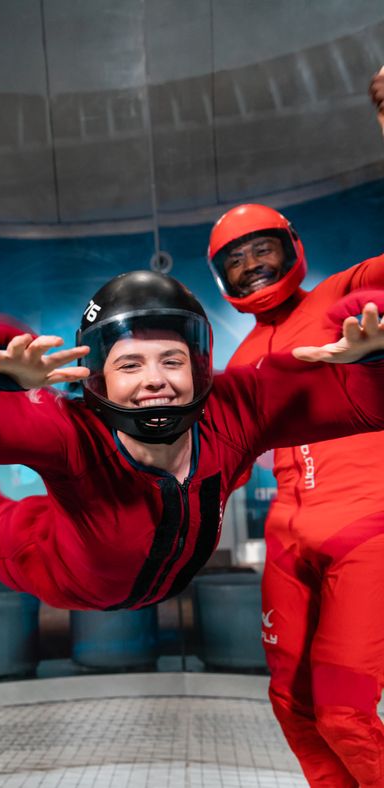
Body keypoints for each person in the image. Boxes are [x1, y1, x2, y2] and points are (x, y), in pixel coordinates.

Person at [0, 269, 384, 617]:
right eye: (130, 365)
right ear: (100, 378)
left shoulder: (236, 410)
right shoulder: (71, 432)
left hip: (126, 566)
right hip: (43, 559)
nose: (156, 381)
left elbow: (355, 403)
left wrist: (373, 358)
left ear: (197, 367)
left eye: (171, 360)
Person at [204, 70, 384, 788]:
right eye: (235, 263)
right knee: (291, 706)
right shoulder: (241, 360)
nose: (253, 270)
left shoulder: (347, 293)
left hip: (365, 527)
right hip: (286, 535)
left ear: (293, 247)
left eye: (263, 252)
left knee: (344, 716)